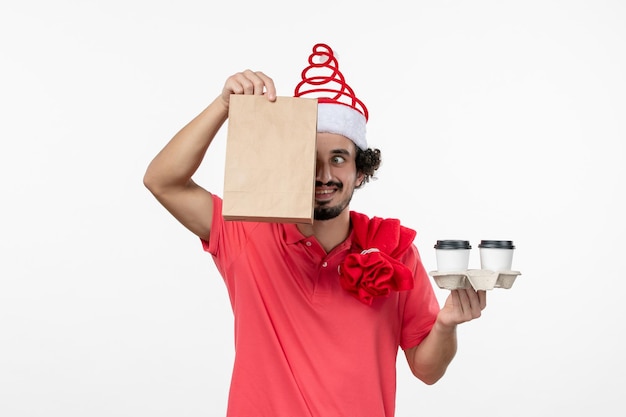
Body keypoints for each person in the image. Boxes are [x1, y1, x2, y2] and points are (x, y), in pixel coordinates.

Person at [143, 43, 486, 417]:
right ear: (288, 165)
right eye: (309, 159)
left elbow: (427, 369)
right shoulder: (246, 231)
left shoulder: (396, 250)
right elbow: (163, 181)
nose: (324, 175)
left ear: (361, 171)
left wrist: (447, 324)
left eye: (338, 159)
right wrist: (224, 106)